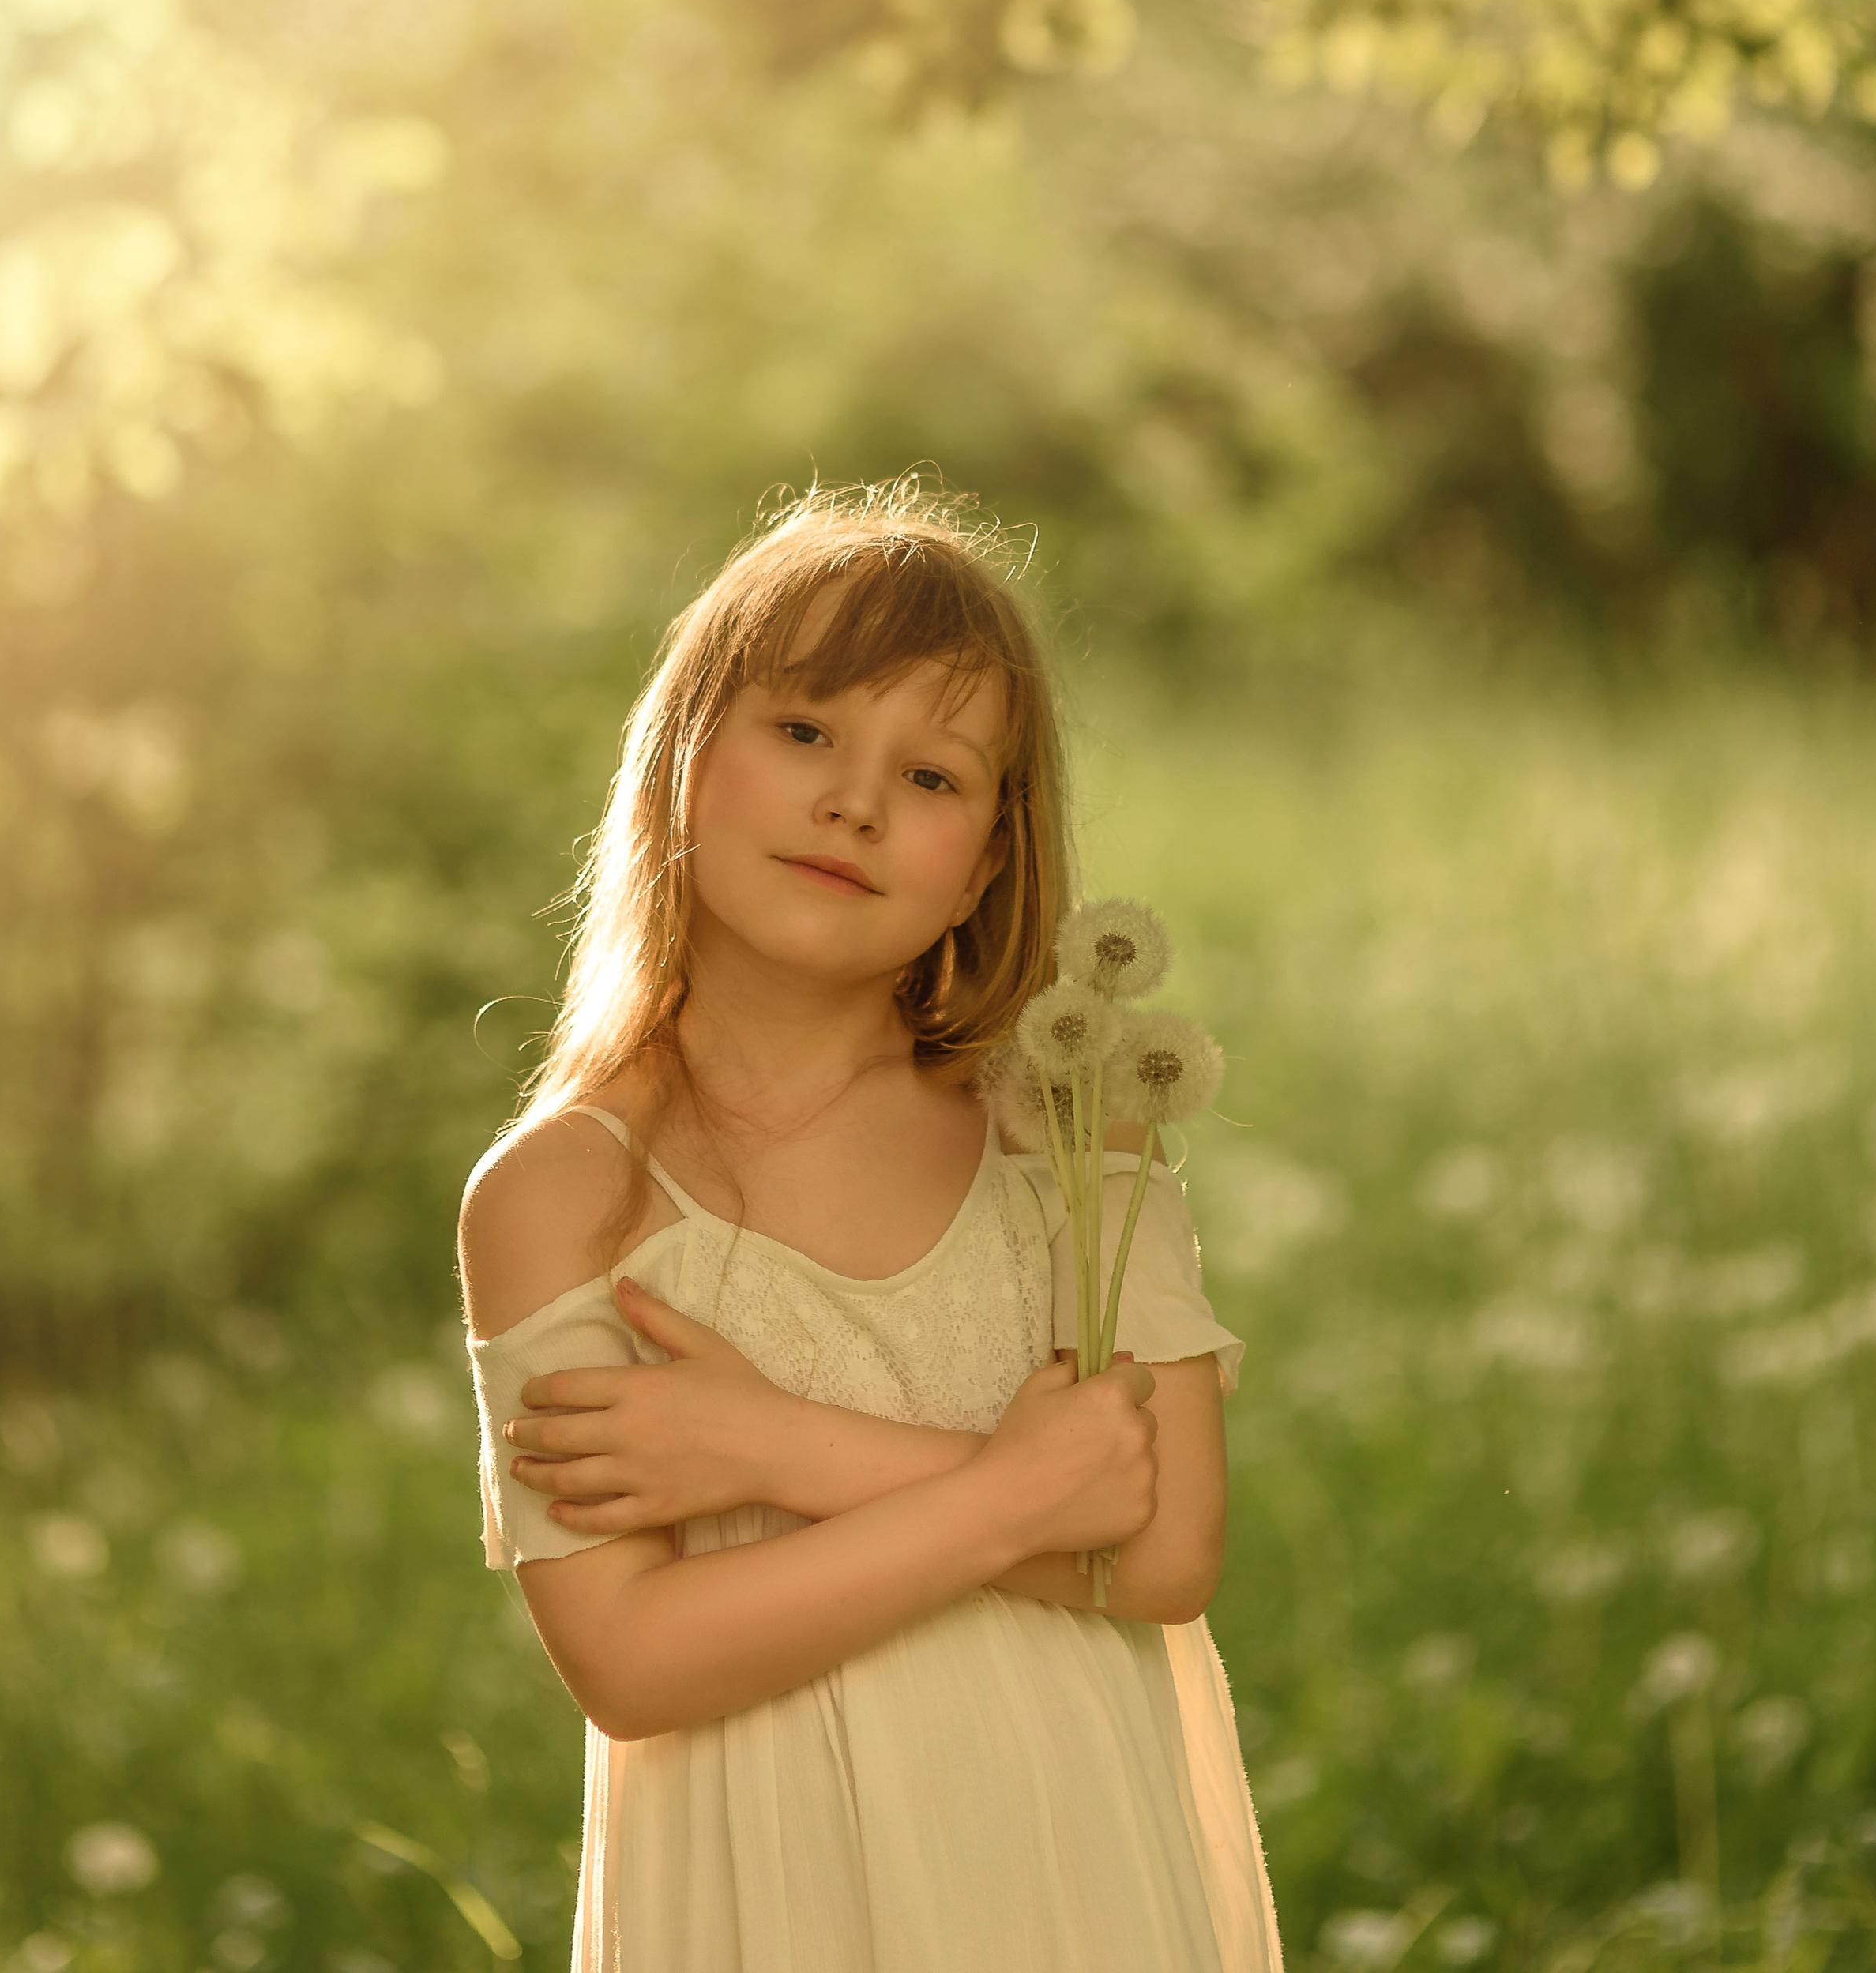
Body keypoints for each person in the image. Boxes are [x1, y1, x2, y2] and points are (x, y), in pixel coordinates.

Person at [459, 484, 1282, 1973]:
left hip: (1062, 1860)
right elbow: (634, 1660)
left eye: (933, 774)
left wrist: (769, 1446)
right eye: (805, 732)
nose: (854, 801)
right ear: (684, 757)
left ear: (984, 863)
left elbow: (1164, 1551)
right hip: (766, 1896)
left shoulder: (1069, 1130)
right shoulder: (566, 1195)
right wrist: (1015, 1497)